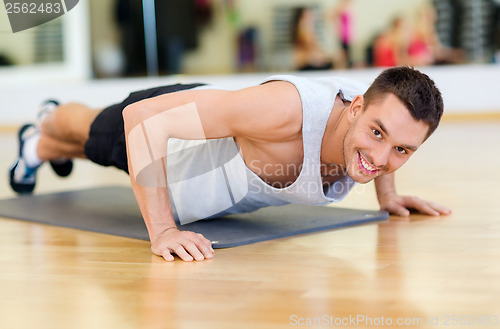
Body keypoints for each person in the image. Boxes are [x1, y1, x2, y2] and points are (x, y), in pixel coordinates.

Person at [9, 66, 452, 262]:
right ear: (355, 109)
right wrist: (163, 231)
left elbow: (387, 139)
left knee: (81, 146)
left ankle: (37, 147)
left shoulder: (376, 110)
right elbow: (140, 121)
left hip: (200, 167)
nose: (380, 158)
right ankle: (49, 117)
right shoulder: (285, 112)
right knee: (93, 133)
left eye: (402, 151)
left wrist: (388, 195)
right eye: (377, 135)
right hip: (174, 144)